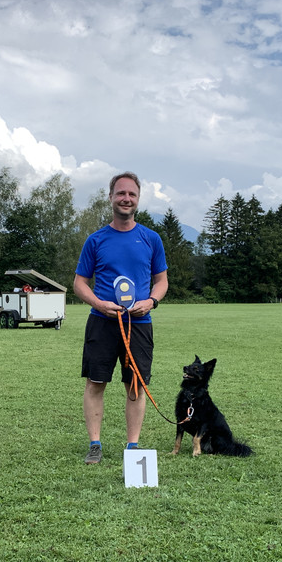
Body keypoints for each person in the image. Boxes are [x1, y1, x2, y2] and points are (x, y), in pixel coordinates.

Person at [73, 172, 169, 464]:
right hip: (102, 323)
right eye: (121, 193)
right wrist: (99, 304)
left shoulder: (151, 239)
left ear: (138, 199)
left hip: (138, 325)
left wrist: (150, 302)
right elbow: (79, 283)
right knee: (95, 383)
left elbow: (162, 281)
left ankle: (133, 448)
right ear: (111, 197)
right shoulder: (96, 240)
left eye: (131, 194)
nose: (126, 199)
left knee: (135, 386)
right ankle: (95, 445)